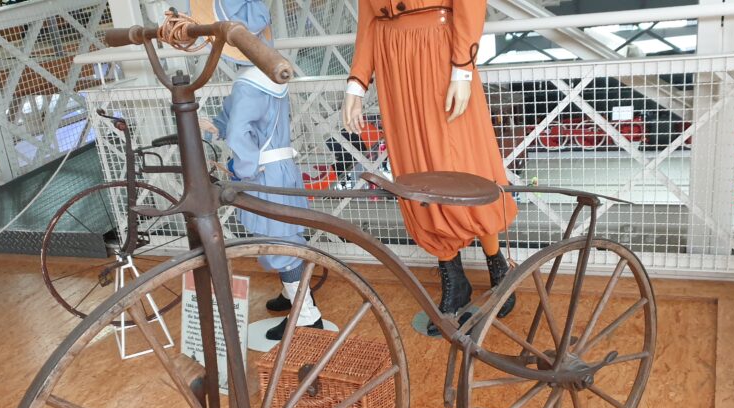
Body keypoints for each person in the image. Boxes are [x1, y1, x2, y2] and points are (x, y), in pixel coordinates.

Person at [341, 0, 517, 336]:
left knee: (463, 162)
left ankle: (498, 264)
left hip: (438, 48)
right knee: (415, 169)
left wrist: (462, 66)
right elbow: (368, 20)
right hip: (392, 60)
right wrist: (357, 82)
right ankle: (452, 274)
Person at [194, 0, 323, 341]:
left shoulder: (247, 83)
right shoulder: (269, 75)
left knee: (279, 242)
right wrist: (218, 128)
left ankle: (307, 314)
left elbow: (240, 132)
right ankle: (293, 295)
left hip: (263, 173)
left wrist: (240, 169)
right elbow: (242, 121)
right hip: (281, 168)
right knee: (284, 236)